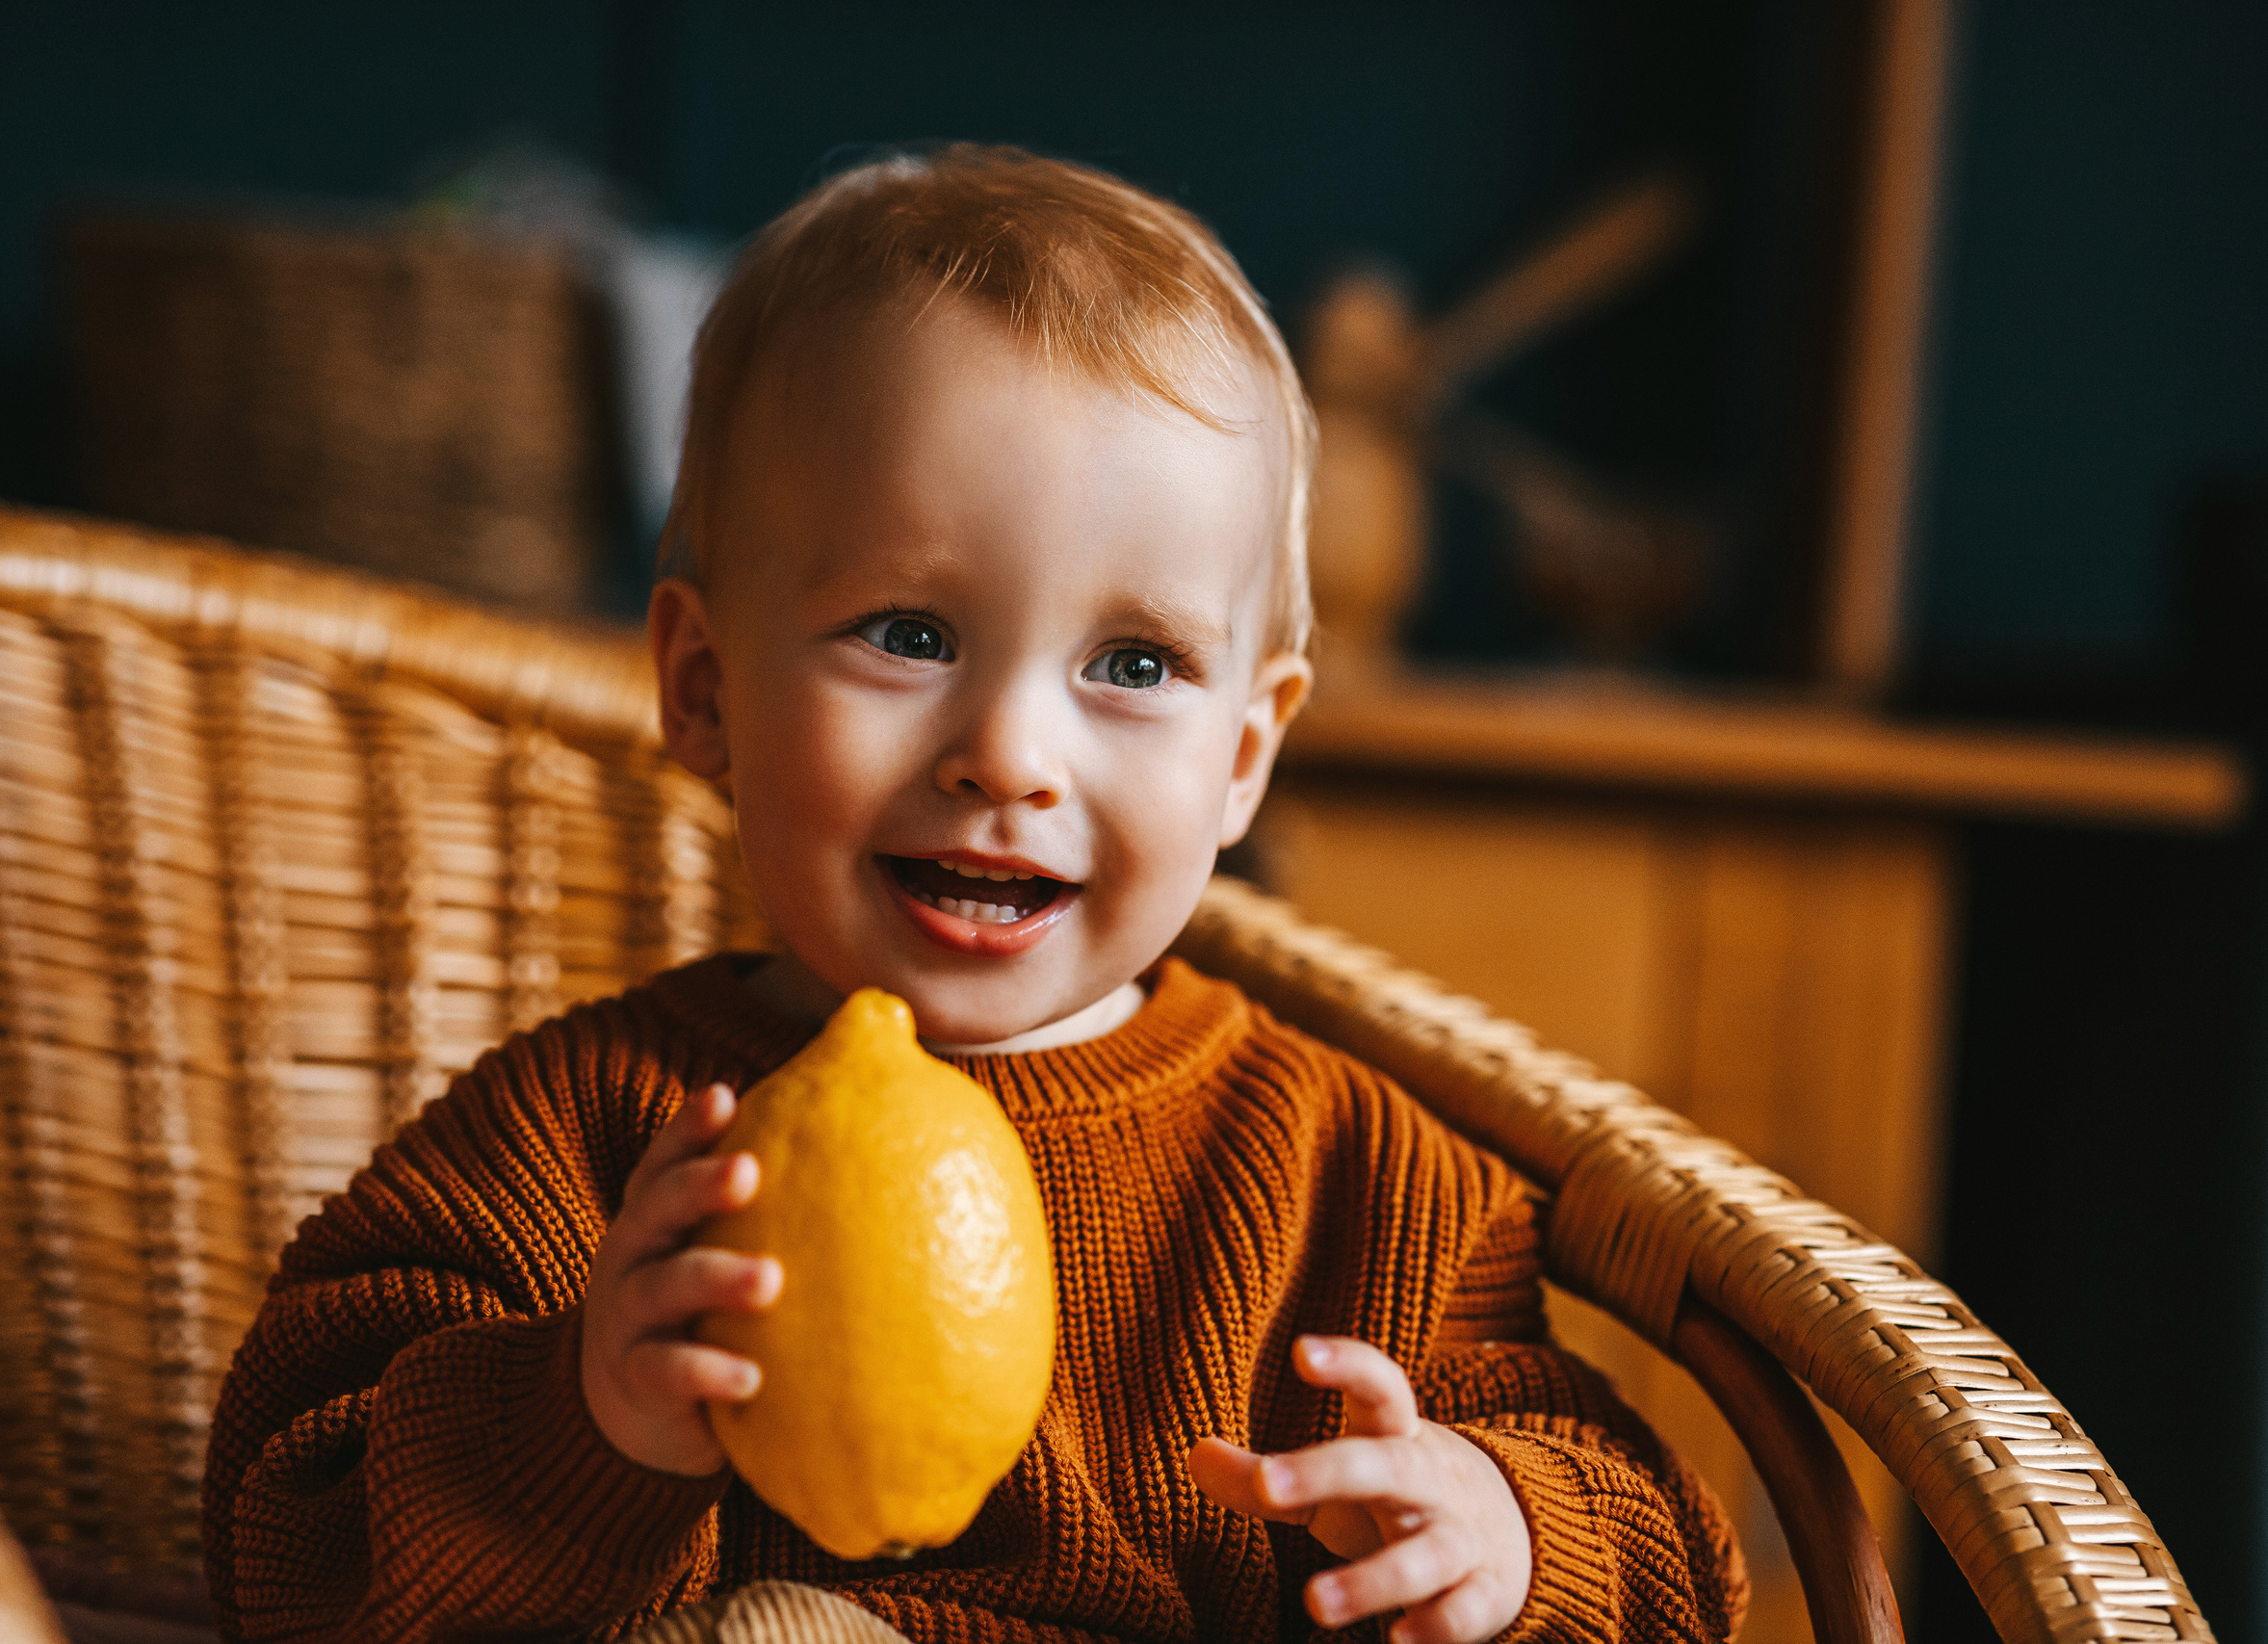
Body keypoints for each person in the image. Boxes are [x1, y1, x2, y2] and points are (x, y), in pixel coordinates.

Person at [203, 145, 1742, 1644]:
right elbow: (278, 1543)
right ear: (703, 688)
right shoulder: (589, 1145)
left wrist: (1501, 1525)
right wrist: (583, 1416)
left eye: (1133, 667)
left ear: (1245, 759)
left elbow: (1681, 1563)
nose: (1009, 755)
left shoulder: (1361, 1186)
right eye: (908, 633)